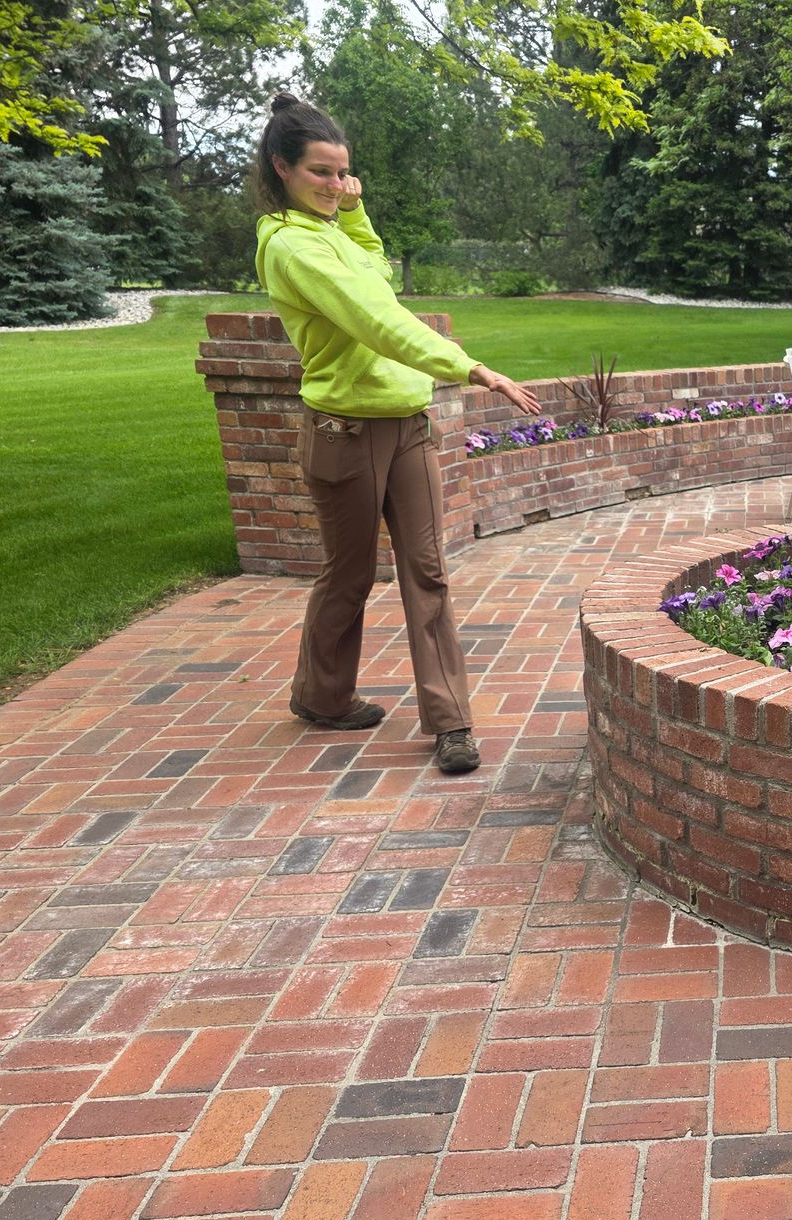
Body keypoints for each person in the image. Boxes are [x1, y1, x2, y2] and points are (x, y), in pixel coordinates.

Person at [252, 93, 540, 774]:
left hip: (405, 425)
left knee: (427, 572)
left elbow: (376, 271)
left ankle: (450, 722)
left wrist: (354, 212)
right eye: (321, 173)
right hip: (342, 431)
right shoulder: (291, 247)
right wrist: (469, 367)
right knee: (348, 575)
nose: (335, 185)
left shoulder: (333, 229)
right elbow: (375, 319)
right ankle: (322, 697)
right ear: (282, 167)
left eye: (343, 172)